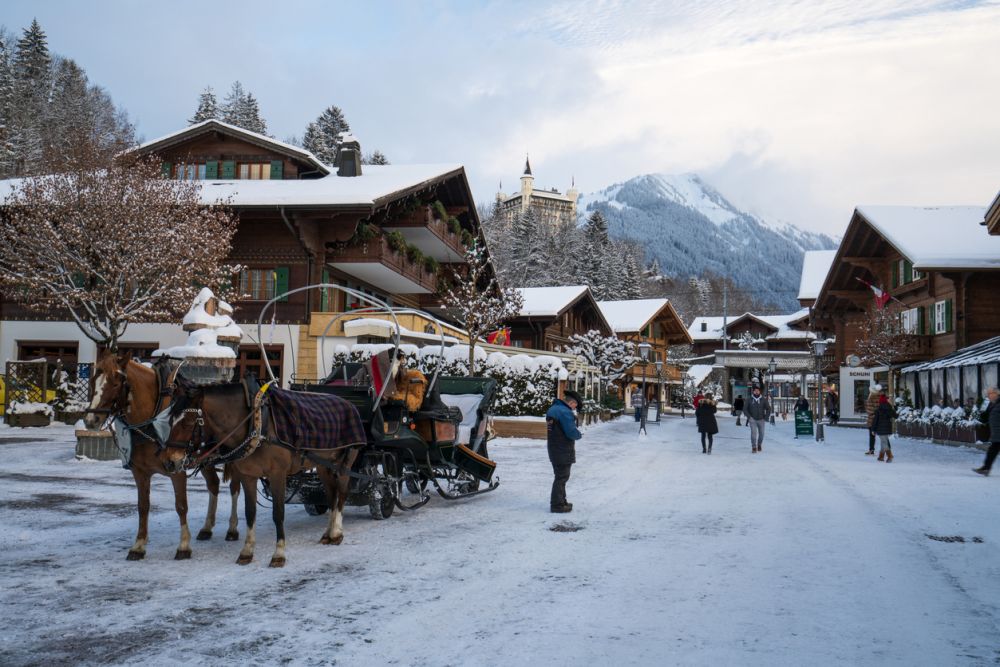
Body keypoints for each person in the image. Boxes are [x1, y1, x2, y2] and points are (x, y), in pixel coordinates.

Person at [546, 390, 583, 512]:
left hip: (553, 447)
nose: (574, 408)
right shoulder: (565, 412)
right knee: (562, 477)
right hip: (563, 449)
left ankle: (561, 501)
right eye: (575, 406)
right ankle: (557, 505)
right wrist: (579, 434)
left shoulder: (554, 409)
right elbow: (571, 432)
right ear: (571, 402)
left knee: (560, 476)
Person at [973, 386, 1000, 476]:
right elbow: (984, 418)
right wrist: (983, 409)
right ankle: (985, 468)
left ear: (996, 394)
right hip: (996, 434)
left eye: (990, 393)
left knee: (992, 451)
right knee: (992, 451)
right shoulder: (993, 404)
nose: (988, 395)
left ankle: (986, 468)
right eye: (988, 394)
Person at [743, 384, 771, 453]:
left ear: (760, 391)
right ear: (753, 391)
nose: (756, 392)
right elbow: (745, 409)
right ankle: (754, 447)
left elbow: (768, 408)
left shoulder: (763, 399)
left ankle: (759, 444)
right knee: (753, 433)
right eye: (755, 391)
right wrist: (749, 417)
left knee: (762, 434)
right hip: (753, 419)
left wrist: (766, 417)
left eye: (757, 391)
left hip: (761, 419)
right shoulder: (749, 399)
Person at [871, 394, 896, 462]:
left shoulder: (879, 409)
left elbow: (875, 420)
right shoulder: (890, 408)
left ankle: (889, 456)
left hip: (880, 428)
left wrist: (873, 429)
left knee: (884, 442)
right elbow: (895, 415)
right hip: (887, 428)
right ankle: (881, 457)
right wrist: (893, 408)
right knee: (883, 442)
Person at [865, 384, 882, 455]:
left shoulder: (871, 398)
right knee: (883, 436)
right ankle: (887, 450)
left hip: (872, 419)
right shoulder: (881, 397)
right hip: (880, 419)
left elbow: (869, 410)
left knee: (872, 436)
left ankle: (871, 450)